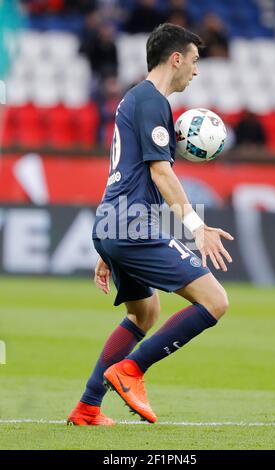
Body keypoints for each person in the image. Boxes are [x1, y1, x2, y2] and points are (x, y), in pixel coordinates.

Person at [67, 23, 234, 426]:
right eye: (193, 61)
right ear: (175, 58)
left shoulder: (136, 100)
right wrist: (196, 226)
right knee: (215, 301)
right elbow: (161, 174)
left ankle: (89, 406)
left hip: (114, 222)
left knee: (144, 314)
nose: (196, 71)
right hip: (129, 224)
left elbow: (126, 172)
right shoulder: (151, 101)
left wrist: (108, 247)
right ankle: (131, 370)